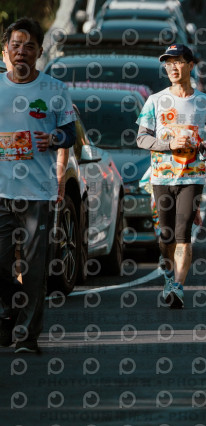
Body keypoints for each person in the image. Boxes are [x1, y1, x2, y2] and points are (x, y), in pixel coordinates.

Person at [0, 18, 77, 354]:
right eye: (16, 45)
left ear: (39, 51)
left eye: (29, 46)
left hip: (37, 193)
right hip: (1, 192)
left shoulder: (54, 90)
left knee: (32, 270)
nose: (22, 51)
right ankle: (10, 311)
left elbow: (69, 134)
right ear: (5, 49)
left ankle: (27, 337)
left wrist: (54, 137)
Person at [136, 44, 206, 308]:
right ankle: (168, 274)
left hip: (192, 176)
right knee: (166, 236)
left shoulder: (204, 101)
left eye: (178, 61)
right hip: (162, 176)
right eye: (168, 63)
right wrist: (168, 145)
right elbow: (141, 138)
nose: (172, 67)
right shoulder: (156, 100)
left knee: (183, 234)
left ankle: (178, 287)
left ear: (190, 65)